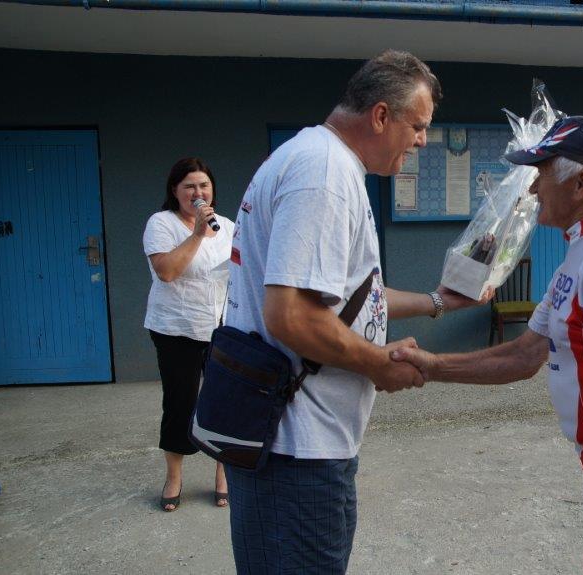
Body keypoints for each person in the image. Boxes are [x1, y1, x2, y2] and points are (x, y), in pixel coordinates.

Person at [392, 116, 583, 575]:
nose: (534, 188)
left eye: (542, 173)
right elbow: (523, 355)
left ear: (580, 185)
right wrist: (430, 365)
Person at [223, 50, 486, 574]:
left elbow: (345, 299)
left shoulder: (317, 159)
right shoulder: (324, 174)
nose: (422, 140)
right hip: (297, 448)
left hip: (297, 443)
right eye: (418, 126)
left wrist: (438, 301)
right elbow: (292, 316)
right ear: (381, 115)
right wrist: (377, 364)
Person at [143, 157, 234, 512]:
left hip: (221, 327)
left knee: (224, 402)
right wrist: (196, 233)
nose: (198, 192)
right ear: (175, 190)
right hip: (176, 328)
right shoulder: (161, 223)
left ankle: (223, 473)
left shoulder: (226, 226)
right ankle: (174, 477)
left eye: (204, 185)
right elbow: (167, 272)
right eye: (190, 186)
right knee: (180, 403)